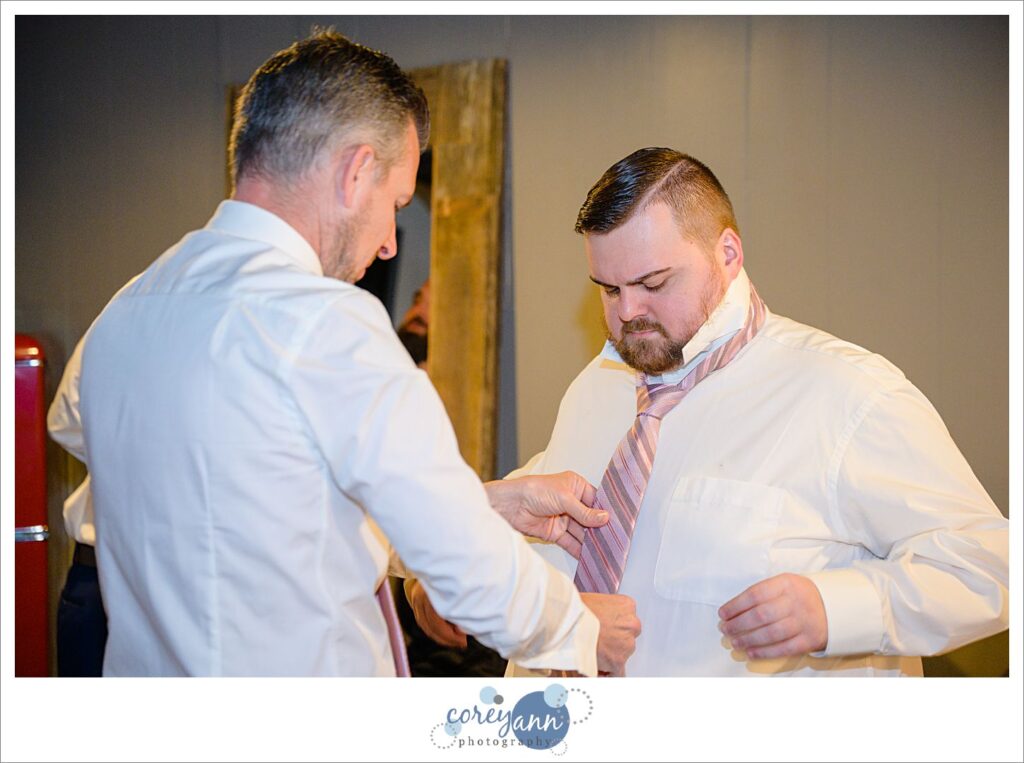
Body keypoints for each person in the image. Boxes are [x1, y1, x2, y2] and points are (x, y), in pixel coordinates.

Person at [71, 31, 640, 677]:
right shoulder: (324, 325)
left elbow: (266, 502)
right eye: (396, 204)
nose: (391, 245)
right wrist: (579, 627)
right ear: (356, 171)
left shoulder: (124, 313)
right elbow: (463, 562)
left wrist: (486, 501)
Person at [506, 147, 1008, 677]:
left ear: (728, 253)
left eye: (653, 284)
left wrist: (834, 609)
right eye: (609, 289)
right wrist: (461, 568)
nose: (627, 312)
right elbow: (544, 501)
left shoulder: (849, 395)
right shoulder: (597, 388)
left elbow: (989, 563)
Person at [47, 339, 105, 676]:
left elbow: (65, 421)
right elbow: (64, 421)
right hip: (95, 574)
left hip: (95, 570)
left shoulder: (121, 312)